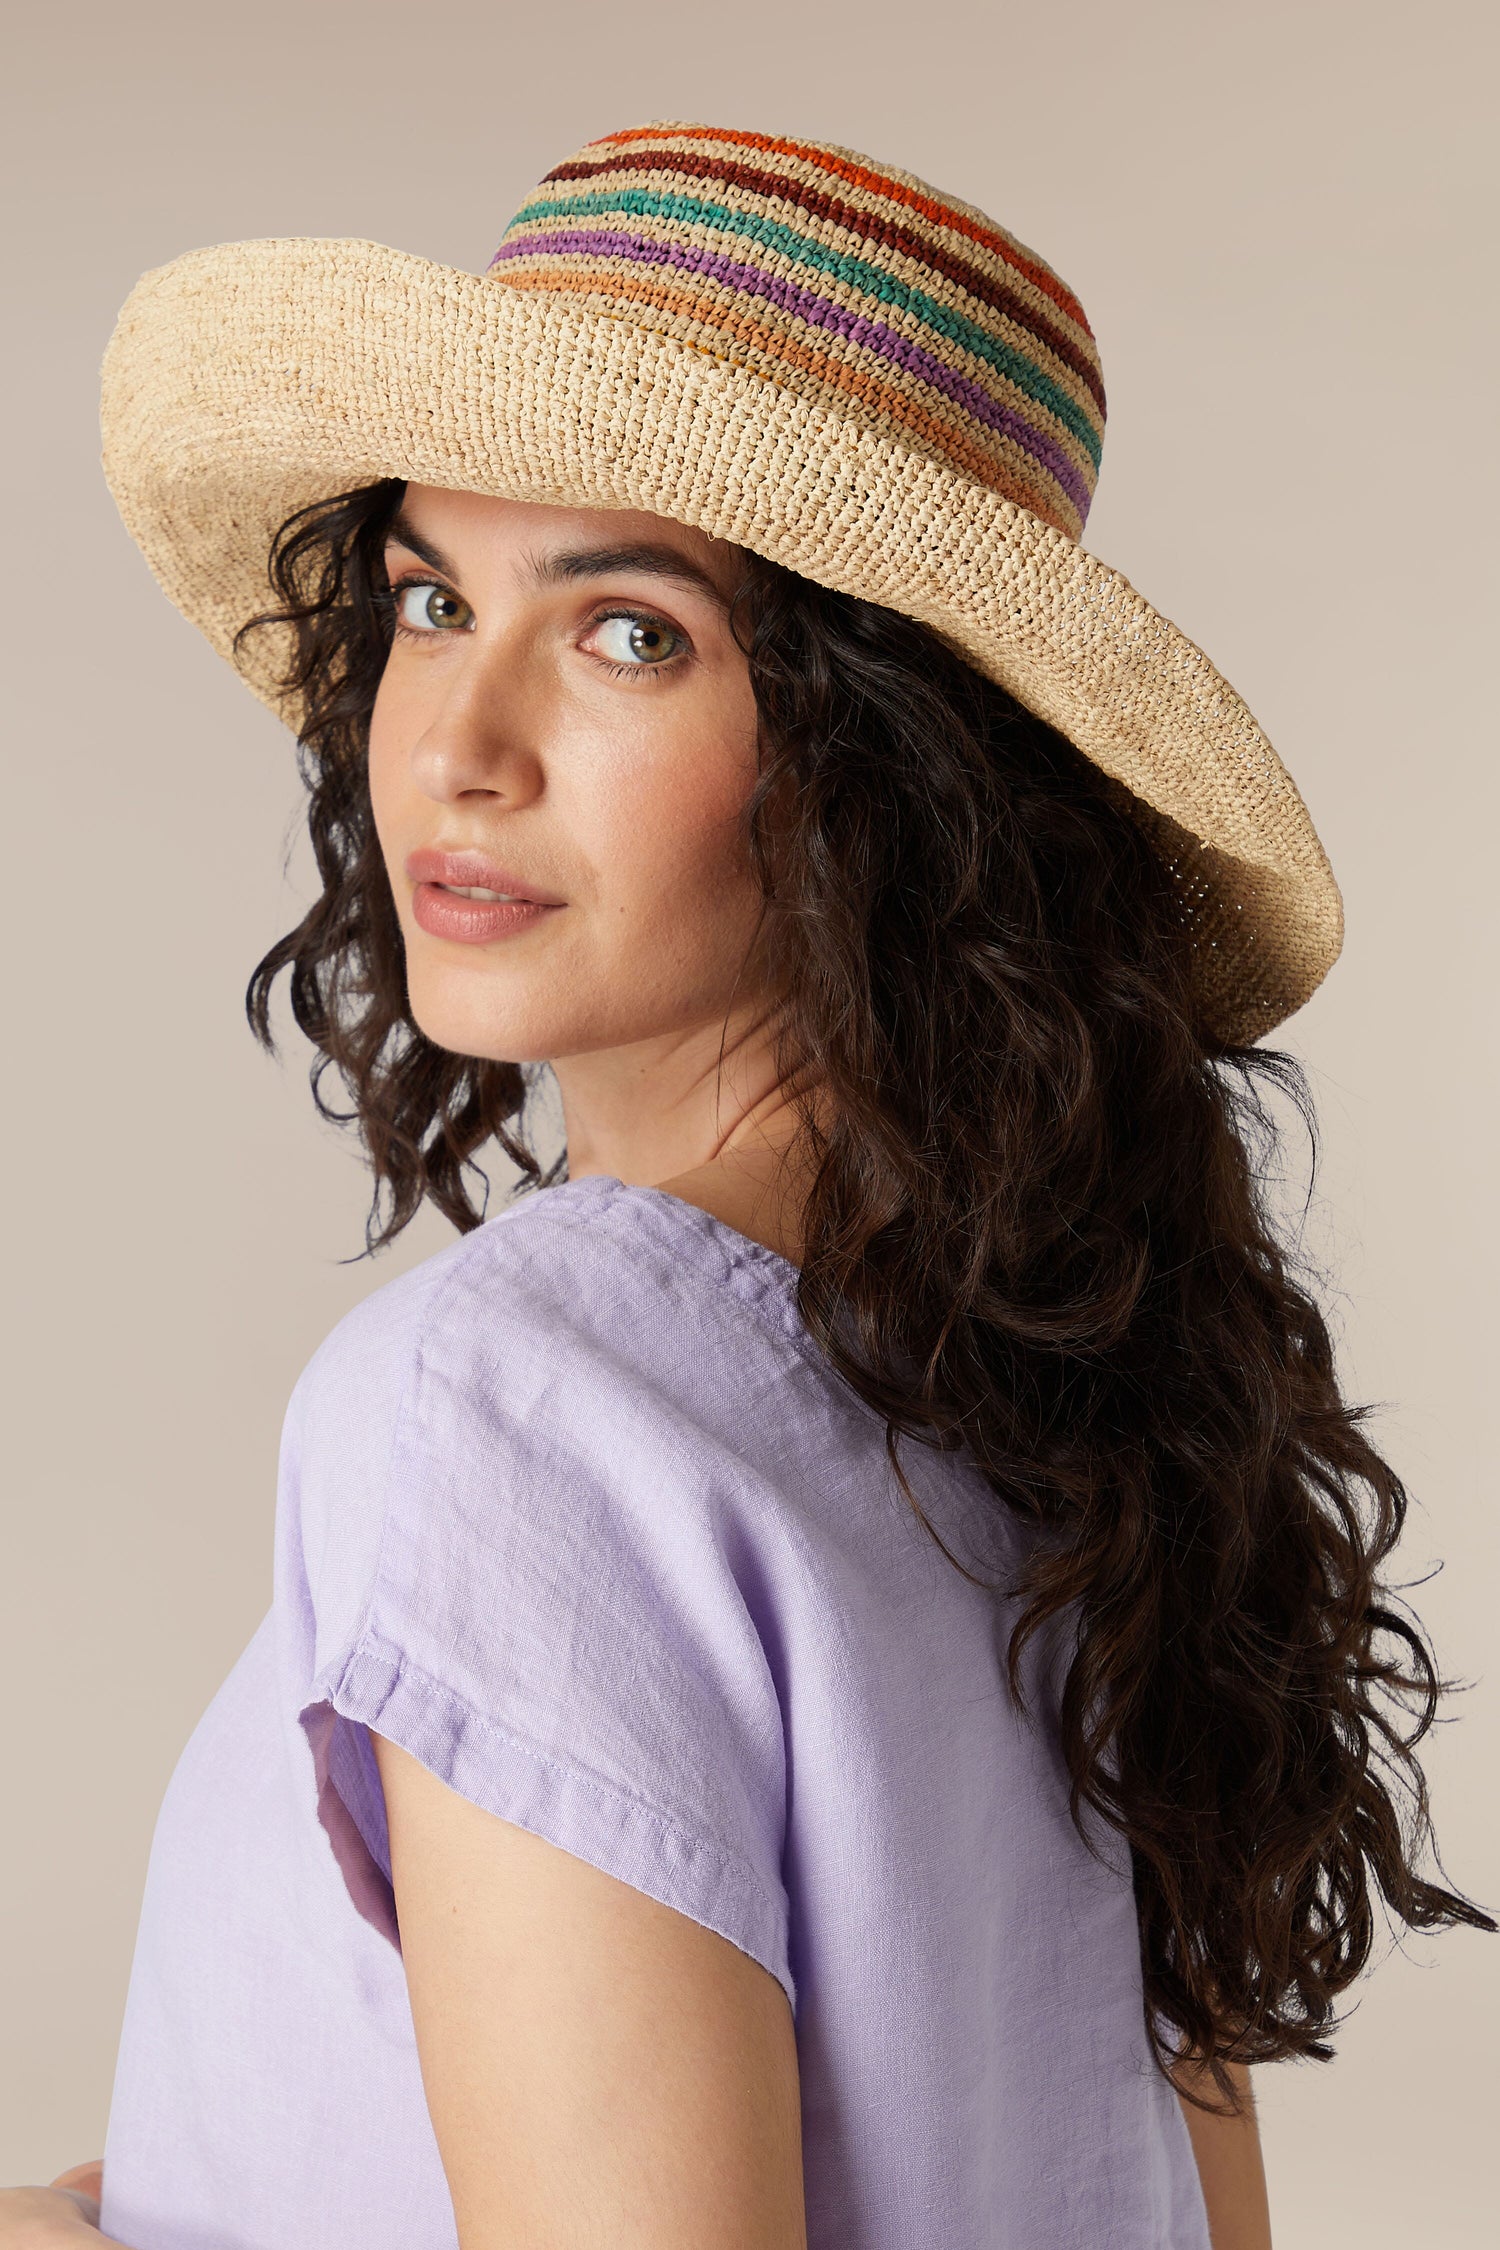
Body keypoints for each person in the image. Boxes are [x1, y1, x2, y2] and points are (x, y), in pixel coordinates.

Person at [7, 119, 1490, 2250]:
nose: (453, 741)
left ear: (896, 773)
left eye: (631, 635)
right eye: (432, 599)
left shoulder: (508, 1414)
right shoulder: (1089, 1445)